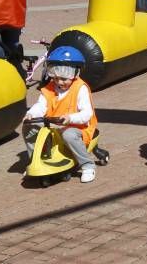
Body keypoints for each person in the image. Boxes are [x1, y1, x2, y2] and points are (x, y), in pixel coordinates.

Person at [23, 46, 99, 183]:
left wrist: (70, 118)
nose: (59, 82)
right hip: (53, 124)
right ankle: (36, 160)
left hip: (78, 127)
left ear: (75, 73)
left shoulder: (80, 88)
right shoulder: (49, 88)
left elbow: (87, 113)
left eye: (64, 78)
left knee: (68, 134)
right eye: (56, 78)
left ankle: (87, 165)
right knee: (30, 126)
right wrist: (31, 114)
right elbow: (41, 105)